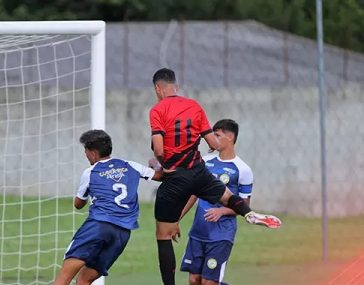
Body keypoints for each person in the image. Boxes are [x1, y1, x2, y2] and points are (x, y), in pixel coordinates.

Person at [149, 68, 281, 285]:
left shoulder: (157, 110)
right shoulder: (194, 106)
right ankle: (249, 214)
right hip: (200, 171)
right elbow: (213, 143)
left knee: (163, 236)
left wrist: (166, 166)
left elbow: (159, 150)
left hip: (175, 178)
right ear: (177, 86)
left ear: (157, 88)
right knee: (228, 196)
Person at [53, 130, 162, 285]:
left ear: (93, 153)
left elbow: (78, 204)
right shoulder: (130, 165)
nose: (85, 154)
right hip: (122, 233)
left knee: (64, 277)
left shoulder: (90, 172)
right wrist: (157, 164)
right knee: (85, 279)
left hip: (98, 226)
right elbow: (160, 176)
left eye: (86, 151)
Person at [180, 119, 253, 285]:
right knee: (194, 280)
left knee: (208, 282)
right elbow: (193, 193)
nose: (212, 139)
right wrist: (177, 219)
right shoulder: (205, 162)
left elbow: (245, 206)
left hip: (221, 235)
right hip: (199, 231)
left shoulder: (242, 169)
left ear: (229, 137)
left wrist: (222, 211)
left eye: (216, 135)